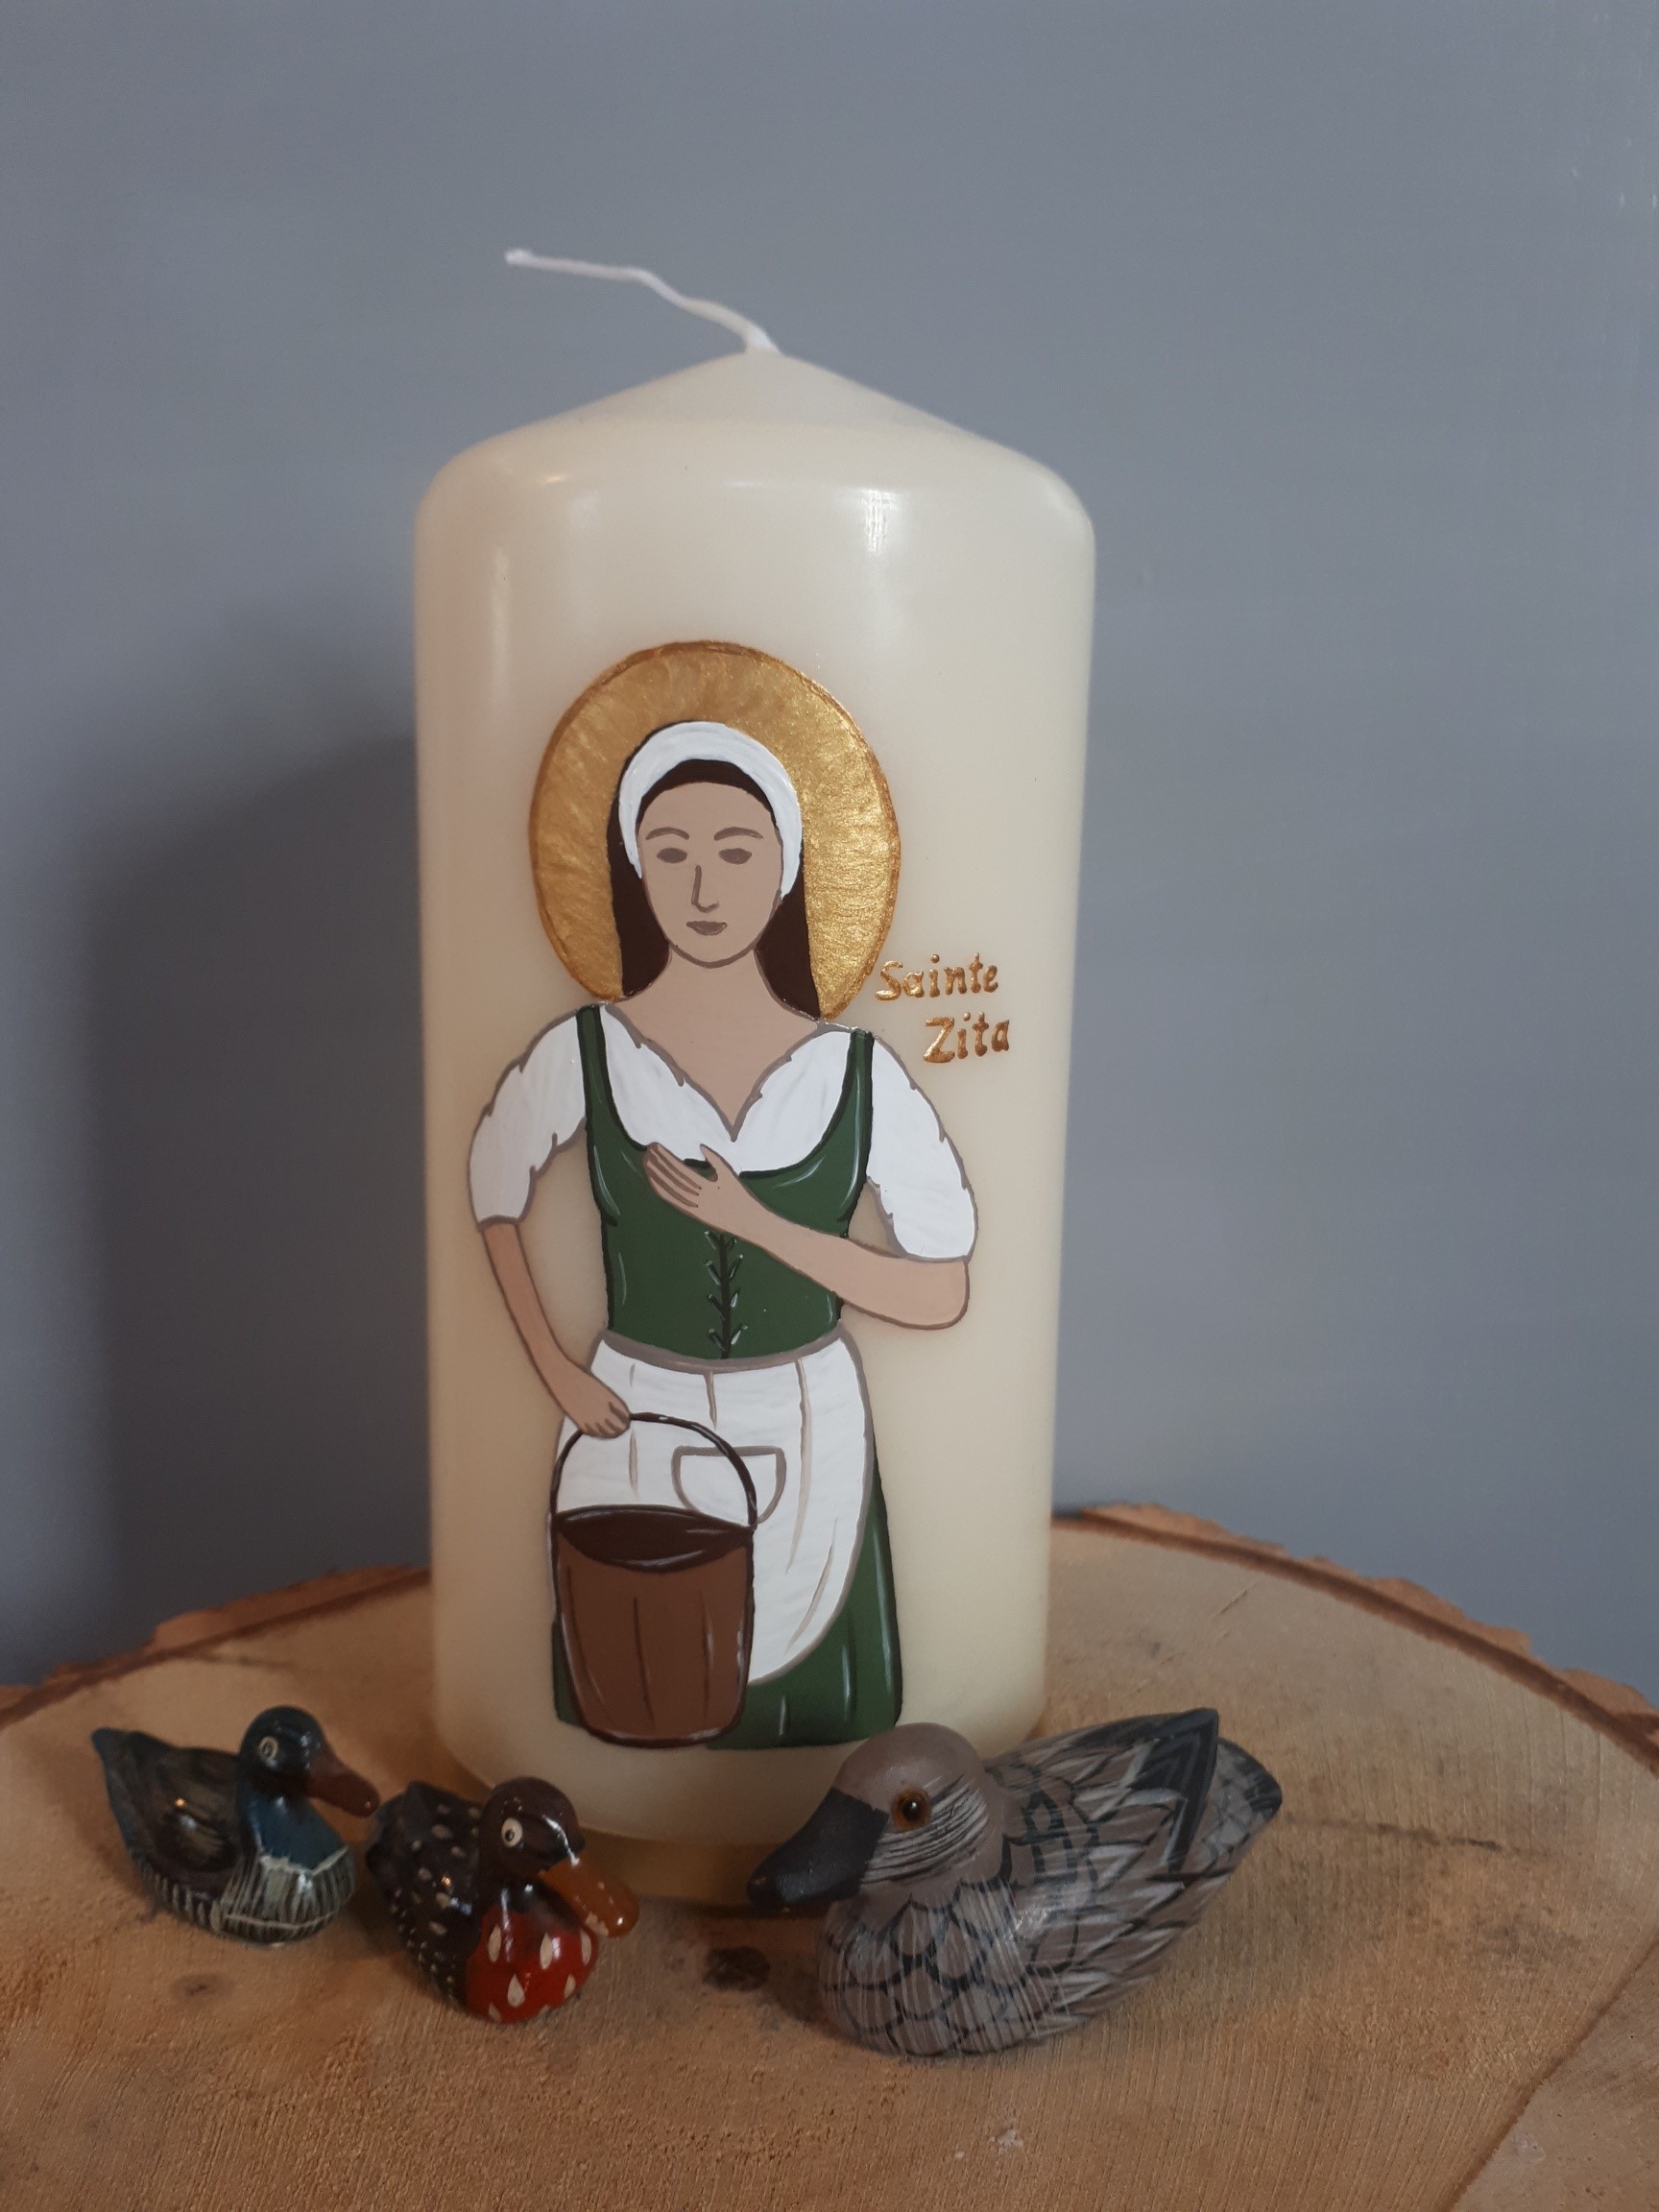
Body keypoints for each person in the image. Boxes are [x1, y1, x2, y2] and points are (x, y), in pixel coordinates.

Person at [469, 720, 975, 1748]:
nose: (703, 888)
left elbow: (943, 1289)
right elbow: (493, 1191)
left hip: (809, 1414)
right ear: (634, 873)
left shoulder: (855, 1074)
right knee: (641, 1664)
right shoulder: (590, 1051)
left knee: (800, 1677)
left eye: (737, 852)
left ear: (787, 871)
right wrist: (557, 1373)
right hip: (638, 1412)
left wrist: (757, 1224)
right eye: (671, 853)